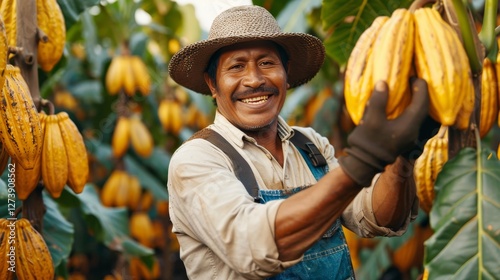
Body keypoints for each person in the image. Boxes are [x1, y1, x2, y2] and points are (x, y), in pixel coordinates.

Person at [167, 5, 433, 280]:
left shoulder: (310, 145)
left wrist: (402, 159)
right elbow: (252, 246)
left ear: (287, 73)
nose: (255, 79)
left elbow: (377, 218)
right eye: (236, 67)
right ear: (212, 84)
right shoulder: (197, 158)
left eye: (267, 63)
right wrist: (363, 161)